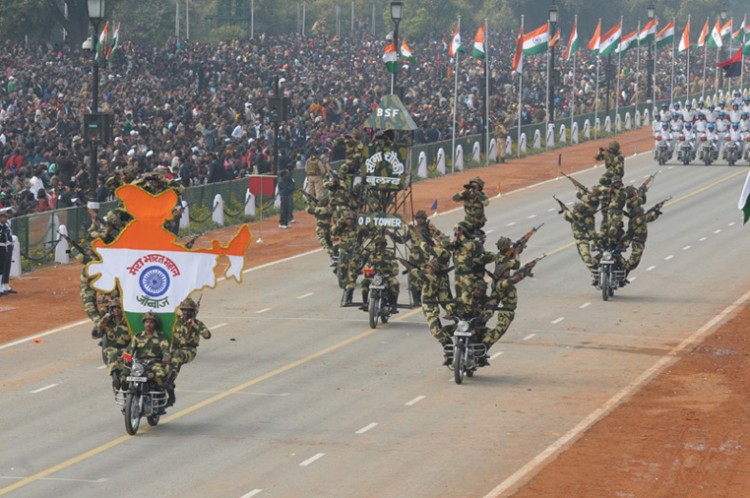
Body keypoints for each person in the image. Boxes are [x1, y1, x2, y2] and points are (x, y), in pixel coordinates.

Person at [168, 297, 212, 406]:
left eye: (189, 310)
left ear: (193, 311)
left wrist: (195, 326)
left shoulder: (196, 323)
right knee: (163, 367)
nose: (186, 312)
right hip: (174, 349)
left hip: (188, 350)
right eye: (184, 310)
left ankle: (168, 381)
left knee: (176, 359)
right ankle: (168, 388)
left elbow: (207, 335)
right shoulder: (176, 321)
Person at [120, 311, 171, 389]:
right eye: (147, 322)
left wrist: (166, 358)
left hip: (154, 363)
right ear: (144, 323)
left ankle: (168, 394)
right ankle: (127, 396)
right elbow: (129, 350)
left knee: (161, 376)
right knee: (124, 375)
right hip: (139, 364)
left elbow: (165, 350)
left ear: (155, 324)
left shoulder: (161, 337)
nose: (149, 324)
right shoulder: (138, 336)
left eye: (151, 322)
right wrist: (122, 358)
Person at [98, 298, 132, 390]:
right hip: (112, 348)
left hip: (126, 349)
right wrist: (103, 321)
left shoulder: (128, 323)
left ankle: (125, 381)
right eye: (114, 308)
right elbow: (96, 333)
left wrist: (128, 350)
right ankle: (115, 378)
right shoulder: (108, 323)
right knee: (112, 356)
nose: (116, 310)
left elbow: (134, 339)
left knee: (127, 364)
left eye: (118, 307)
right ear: (111, 309)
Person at [359, 236, 400, 313]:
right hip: (375, 276)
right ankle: (365, 303)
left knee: (395, 283)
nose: (380, 246)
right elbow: (368, 265)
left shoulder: (389, 254)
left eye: (382, 244)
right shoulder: (373, 255)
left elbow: (394, 264)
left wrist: (395, 270)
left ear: (385, 245)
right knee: (364, 282)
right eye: (378, 244)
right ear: (376, 245)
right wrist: (365, 270)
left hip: (387, 275)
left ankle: (393, 305)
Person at [0, 207, 15, 295]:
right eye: (4, 216)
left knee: (6, 266)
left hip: (7, 246)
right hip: (1, 247)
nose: (6, 218)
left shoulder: (6, 224)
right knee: (1, 268)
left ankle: (5, 285)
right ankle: (1, 286)